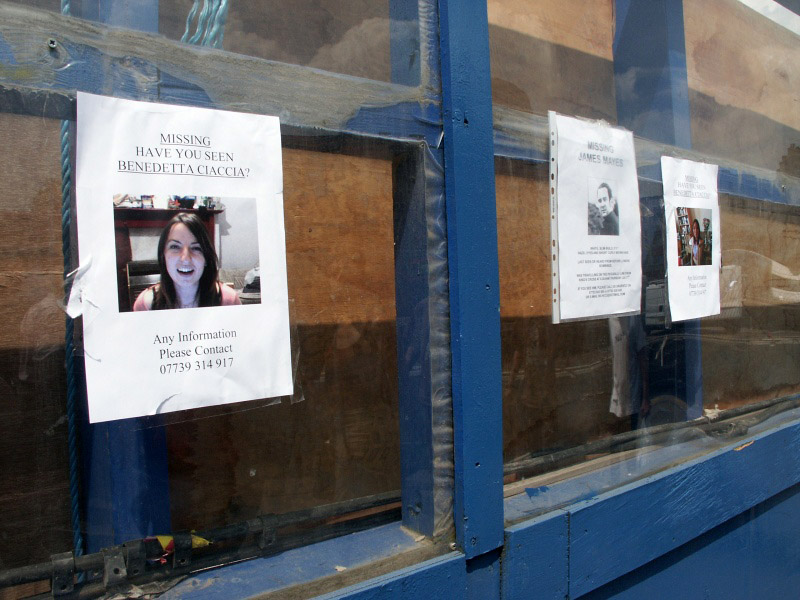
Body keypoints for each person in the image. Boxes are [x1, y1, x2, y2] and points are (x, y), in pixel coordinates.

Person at [133, 212, 241, 310]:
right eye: (175, 247)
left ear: (206, 258)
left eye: (196, 248)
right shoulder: (145, 304)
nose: (185, 259)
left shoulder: (229, 301)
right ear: (163, 255)